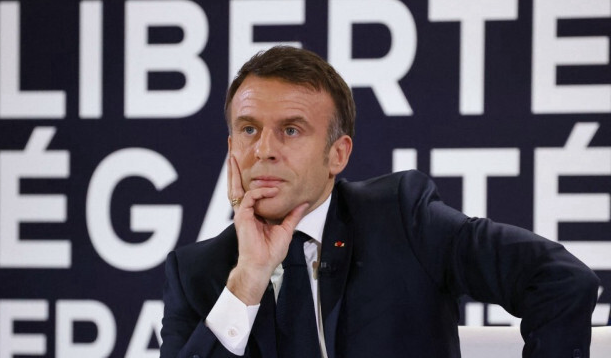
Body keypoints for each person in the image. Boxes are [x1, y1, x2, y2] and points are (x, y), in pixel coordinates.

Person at [160, 46, 599, 358]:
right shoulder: (199, 272)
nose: (264, 150)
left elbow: (558, 280)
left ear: (338, 154)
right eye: (249, 129)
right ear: (231, 145)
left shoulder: (401, 220)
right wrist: (249, 276)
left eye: (291, 130)